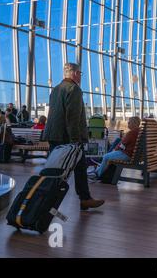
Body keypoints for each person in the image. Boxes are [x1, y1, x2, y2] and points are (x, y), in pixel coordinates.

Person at [43, 62, 104, 211]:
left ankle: (44, 199)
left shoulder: (56, 89)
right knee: (80, 167)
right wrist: (76, 141)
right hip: (68, 137)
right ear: (75, 73)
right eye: (80, 73)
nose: (80, 76)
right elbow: (73, 118)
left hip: (54, 135)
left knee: (54, 169)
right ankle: (85, 199)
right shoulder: (74, 89)